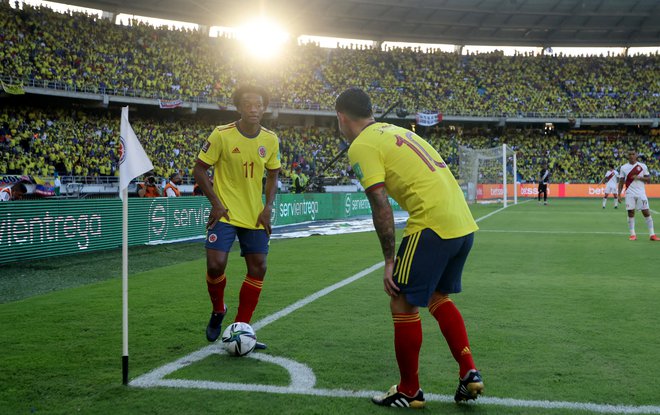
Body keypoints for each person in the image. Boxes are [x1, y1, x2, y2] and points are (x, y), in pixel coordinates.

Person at [336, 87, 483, 408]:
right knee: (435, 297)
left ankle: (409, 389)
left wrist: (389, 260)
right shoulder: (398, 133)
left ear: (341, 117)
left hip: (431, 225)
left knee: (401, 302)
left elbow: (380, 204)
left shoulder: (361, 145)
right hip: (463, 223)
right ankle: (469, 371)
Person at [193, 85, 281, 349]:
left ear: (264, 108)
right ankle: (219, 309)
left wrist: (267, 207)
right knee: (215, 265)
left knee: (259, 268)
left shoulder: (271, 139)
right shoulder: (221, 135)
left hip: (254, 215)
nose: (254, 109)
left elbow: (274, 174)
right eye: (248, 104)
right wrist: (216, 203)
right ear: (239, 107)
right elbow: (199, 170)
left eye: (259, 104)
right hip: (226, 213)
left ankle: (242, 328)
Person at [617, 150, 657, 241]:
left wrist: (639, 177)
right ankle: (633, 234)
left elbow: (649, 179)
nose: (631, 156)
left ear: (636, 155)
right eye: (629, 154)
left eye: (633, 154)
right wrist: (619, 194)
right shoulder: (623, 167)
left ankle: (652, 234)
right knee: (630, 212)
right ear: (627, 156)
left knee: (646, 212)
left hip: (641, 193)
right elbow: (621, 181)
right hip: (629, 193)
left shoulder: (642, 166)